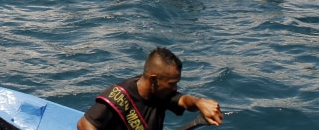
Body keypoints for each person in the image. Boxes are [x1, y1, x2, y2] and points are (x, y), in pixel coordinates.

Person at [77, 47, 223, 130]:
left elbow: (184, 102)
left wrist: (199, 102)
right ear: (153, 79)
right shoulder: (118, 96)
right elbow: (84, 125)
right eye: (172, 83)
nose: (175, 88)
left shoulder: (161, 93)